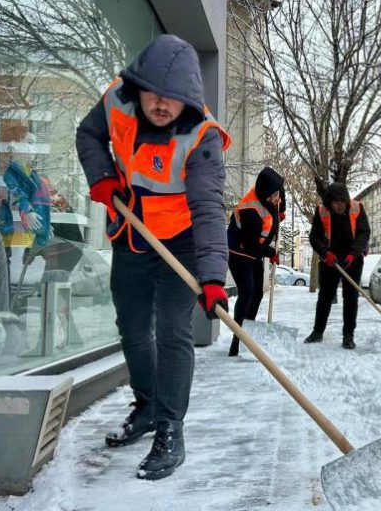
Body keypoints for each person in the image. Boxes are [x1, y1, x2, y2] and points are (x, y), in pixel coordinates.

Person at [76, 34, 231, 481]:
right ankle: (146, 406)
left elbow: (206, 209)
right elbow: (88, 134)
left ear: (190, 101)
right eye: (154, 94)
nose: (162, 105)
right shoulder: (115, 101)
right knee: (130, 324)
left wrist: (211, 276)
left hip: (180, 242)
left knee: (172, 332)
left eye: (174, 99)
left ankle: (170, 427)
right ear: (137, 85)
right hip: (131, 233)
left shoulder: (201, 138)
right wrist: (102, 178)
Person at [226, 167, 283, 357]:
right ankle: (237, 339)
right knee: (247, 293)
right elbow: (251, 245)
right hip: (240, 254)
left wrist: (279, 214)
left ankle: (247, 335)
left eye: (278, 194)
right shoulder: (251, 210)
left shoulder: (270, 197)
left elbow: (278, 205)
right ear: (266, 192)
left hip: (255, 254)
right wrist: (270, 252)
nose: (277, 198)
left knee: (258, 292)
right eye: (274, 195)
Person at [304, 183, 369, 349]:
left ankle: (348, 335)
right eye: (336, 202)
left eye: (342, 201)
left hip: (352, 259)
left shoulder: (357, 208)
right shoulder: (322, 211)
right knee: (325, 296)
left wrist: (352, 254)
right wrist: (325, 253)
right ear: (330, 202)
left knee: (350, 297)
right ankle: (318, 332)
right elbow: (315, 237)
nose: (340, 205)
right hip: (330, 260)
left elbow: (364, 233)